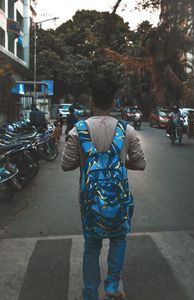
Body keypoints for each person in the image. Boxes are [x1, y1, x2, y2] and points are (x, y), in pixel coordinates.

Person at [61, 76, 146, 300]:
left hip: (90, 201)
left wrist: (87, 160)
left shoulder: (78, 130)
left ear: (92, 101)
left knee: (92, 245)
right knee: (118, 239)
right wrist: (119, 162)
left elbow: (66, 165)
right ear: (113, 101)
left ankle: (90, 292)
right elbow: (140, 163)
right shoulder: (126, 130)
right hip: (119, 199)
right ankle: (111, 286)